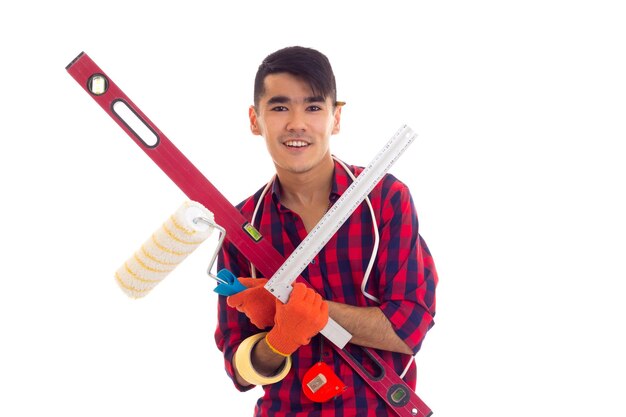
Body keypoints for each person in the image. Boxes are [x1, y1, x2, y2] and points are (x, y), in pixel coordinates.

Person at [214, 46, 438, 417]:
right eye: (280, 107)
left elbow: (408, 329)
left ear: (336, 118)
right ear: (255, 120)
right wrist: (280, 339)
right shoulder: (242, 226)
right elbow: (238, 370)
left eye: (314, 107)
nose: (297, 123)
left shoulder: (384, 199)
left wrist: (315, 312)